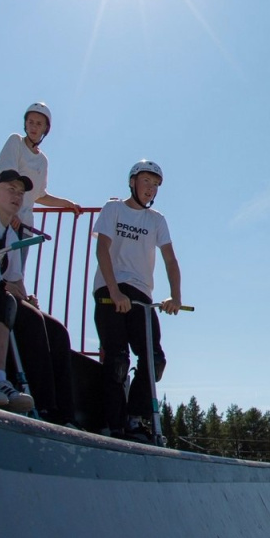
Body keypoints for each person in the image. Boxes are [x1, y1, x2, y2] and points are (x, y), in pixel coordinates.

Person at [92, 160, 182, 442]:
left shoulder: (157, 220)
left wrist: (175, 297)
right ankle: (113, 422)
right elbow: (102, 249)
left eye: (155, 185)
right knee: (117, 357)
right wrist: (114, 291)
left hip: (141, 294)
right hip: (111, 289)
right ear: (132, 182)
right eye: (146, 182)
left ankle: (133, 417)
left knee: (154, 359)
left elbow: (170, 259)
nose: (150, 188)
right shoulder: (113, 209)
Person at [0, 102, 83, 264]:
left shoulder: (43, 161)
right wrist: (11, 213)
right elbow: (7, 175)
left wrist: (67, 204)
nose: (34, 127)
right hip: (2, 220)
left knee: (15, 277)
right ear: (25, 124)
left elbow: (39, 196)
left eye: (39, 123)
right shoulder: (15, 142)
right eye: (30, 122)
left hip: (23, 226)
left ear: (45, 129)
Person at [0, 170, 37, 413]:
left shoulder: (11, 234)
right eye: (11, 190)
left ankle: (51, 409)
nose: (17, 196)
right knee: (1, 298)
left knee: (40, 321)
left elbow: (14, 281)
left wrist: (28, 299)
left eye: (21, 193)